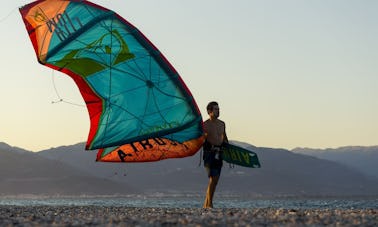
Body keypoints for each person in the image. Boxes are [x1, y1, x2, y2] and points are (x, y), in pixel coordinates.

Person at [202, 101, 228, 208]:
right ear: (209, 111)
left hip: (219, 153)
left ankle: (206, 204)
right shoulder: (205, 125)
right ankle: (210, 204)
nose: (218, 111)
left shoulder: (222, 124)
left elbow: (225, 138)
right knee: (213, 177)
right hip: (209, 154)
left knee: (215, 180)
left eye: (218, 109)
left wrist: (229, 149)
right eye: (216, 109)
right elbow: (201, 139)